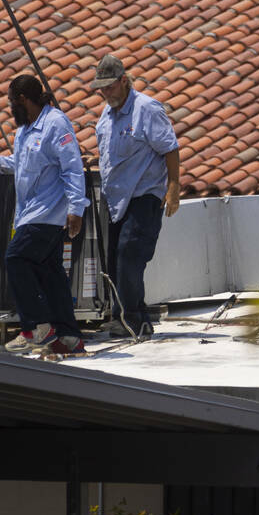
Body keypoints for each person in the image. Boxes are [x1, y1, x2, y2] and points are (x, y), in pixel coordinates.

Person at [0, 74, 89, 355]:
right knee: (52, 275)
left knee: (16, 258)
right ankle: (69, 338)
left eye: (10, 102)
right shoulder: (24, 131)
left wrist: (76, 209)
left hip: (47, 214)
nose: (10, 108)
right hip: (29, 213)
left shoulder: (55, 123)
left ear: (22, 100)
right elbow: (18, 164)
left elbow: (72, 167)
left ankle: (36, 327)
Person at [91, 54, 180, 339]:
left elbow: (170, 148)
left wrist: (174, 189)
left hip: (144, 195)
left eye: (110, 87)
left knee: (131, 255)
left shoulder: (147, 109)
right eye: (101, 88)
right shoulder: (106, 115)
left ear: (124, 81)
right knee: (115, 260)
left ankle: (134, 320)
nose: (105, 93)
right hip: (115, 200)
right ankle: (130, 315)